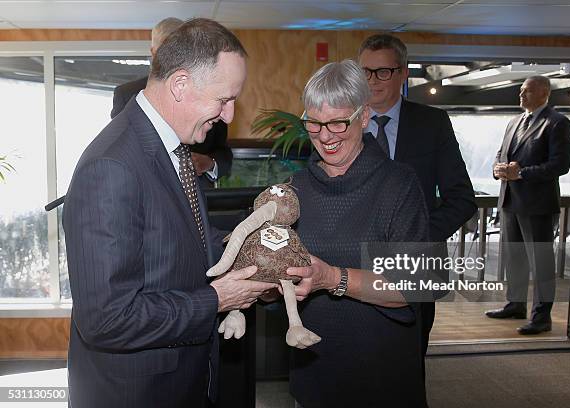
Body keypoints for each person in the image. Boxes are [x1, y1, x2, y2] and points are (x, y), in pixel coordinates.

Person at [63, 18, 277, 408]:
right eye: (224, 99)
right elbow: (107, 320)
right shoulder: (112, 166)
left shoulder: (172, 147)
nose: (229, 116)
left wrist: (249, 250)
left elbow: (187, 235)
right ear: (180, 85)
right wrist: (217, 300)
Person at [285, 59, 430, 408]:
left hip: (383, 376)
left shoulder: (399, 184)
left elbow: (415, 285)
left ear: (364, 118)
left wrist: (332, 277)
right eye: (313, 124)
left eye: (337, 122)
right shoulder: (296, 189)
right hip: (313, 373)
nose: (324, 136)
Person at [358, 34, 476, 359]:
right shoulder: (345, 123)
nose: (372, 81)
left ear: (403, 73)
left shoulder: (432, 123)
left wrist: (417, 237)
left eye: (382, 72)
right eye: (366, 72)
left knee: (409, 366)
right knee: (358, 365)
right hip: (354, 265)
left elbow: (462, 199)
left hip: (417, 266)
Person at [486, 75, 570, 335]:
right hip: (510, 201)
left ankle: (541, 317)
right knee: (515, 259)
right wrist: (498, 168)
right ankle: (515, 304)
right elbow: (502, 153)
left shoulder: (557, 123)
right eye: (521, 91)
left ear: (544, 93)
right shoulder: (514, 121)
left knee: (541, 264)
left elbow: (560, 165)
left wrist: (521, 173)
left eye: (526, 91)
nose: (520, 95)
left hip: (538, 205)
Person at [111, 17, 232, 187]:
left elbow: (223, 151)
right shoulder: (127, 94)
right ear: (153, 52)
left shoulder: (210, 94)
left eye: (180, 50)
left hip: (201, 196)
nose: (173, 58)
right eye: (166, 51)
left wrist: (209, 162)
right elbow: (121, 148)